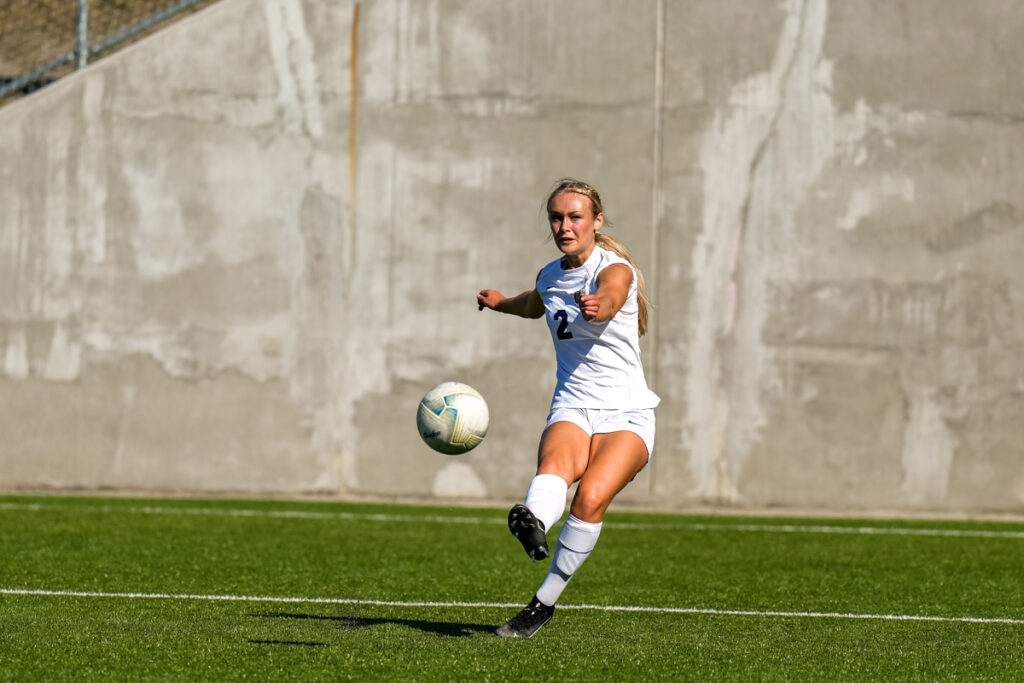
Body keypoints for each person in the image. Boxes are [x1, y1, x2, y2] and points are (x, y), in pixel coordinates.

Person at [477, 178, 659, 638]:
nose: (564, 226)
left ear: (596, 221)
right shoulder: (550, 275)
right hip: (574, 404)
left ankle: (543, 604)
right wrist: (500, 303)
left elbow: (613, 293)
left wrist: (600, 307)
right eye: (556, 217)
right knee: (555, 465)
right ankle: (534, 522)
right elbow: (535, 304)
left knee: (591, 497)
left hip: (627, 414)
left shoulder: (614, 269)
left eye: (575, 217)